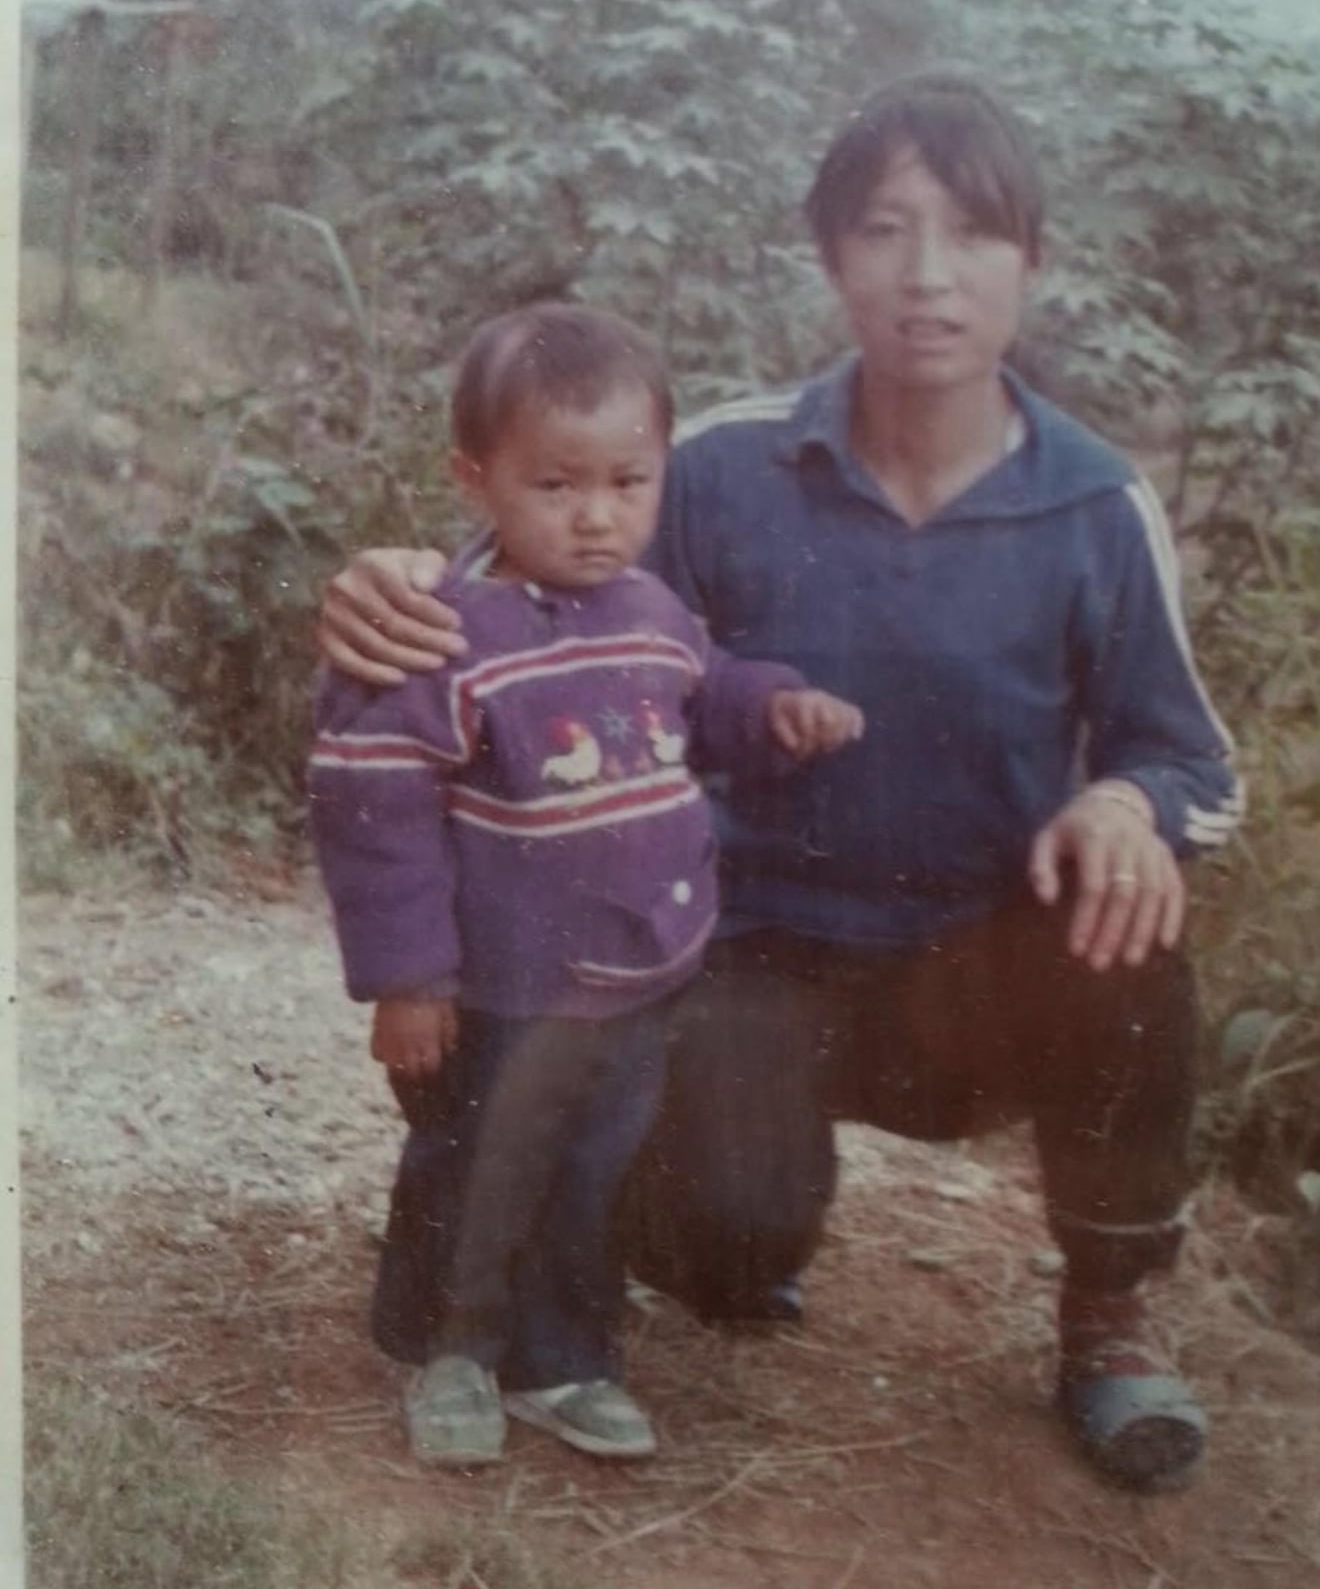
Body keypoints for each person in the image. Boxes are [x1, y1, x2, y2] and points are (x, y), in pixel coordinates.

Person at [317, 76, 1243, 1494]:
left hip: (973, 971)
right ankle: (660, 1226)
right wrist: (392, 581)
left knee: (1128, 923)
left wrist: (1130, 803)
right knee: (734, 1252)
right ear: (831, 257)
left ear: (1033, 263)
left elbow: (1191, 759)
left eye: (973, 233)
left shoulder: (1098, 503)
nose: (928, 274)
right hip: (732, 957)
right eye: (885, 228)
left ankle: (1110, 1316)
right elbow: (527, 589)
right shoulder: (720, 466)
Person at [309, 302, 862, 1469]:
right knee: (476, 1158)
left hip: (636, 975)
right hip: (502, 984)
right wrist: (407, 980)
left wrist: (773, 706)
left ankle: (563, 1359)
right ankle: (451, 1352)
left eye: (627, 480)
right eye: (556, 484)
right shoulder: (444, 634)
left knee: (592, 1168)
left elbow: (704, 695)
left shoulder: (652, 611)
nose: (598, 515)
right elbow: (377, 809)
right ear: (477, 478)